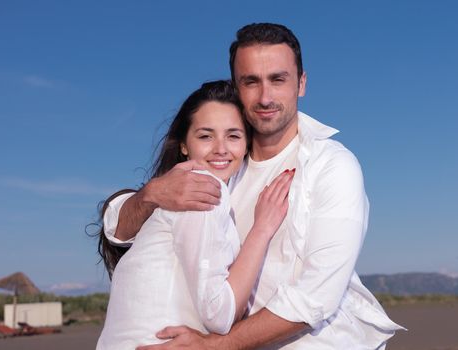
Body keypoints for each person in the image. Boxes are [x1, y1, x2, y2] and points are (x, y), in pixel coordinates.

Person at [105, 23, 404, 349]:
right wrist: (151, 194)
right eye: (251, 82)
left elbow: (317, 295)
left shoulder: (331, 166)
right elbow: (119, 229)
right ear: (237, 86)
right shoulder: (222, 162)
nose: (265, 97)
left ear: (301, 83)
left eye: (278, 79)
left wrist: (213, 346)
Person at [96, 80, 294, 349]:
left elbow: (113, 223)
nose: (221, 148)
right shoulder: (201, 188)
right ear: (184, 146)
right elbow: (219, 315)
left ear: (247, 144)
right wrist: (262, 229)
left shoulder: (176, 191)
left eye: (233, 136)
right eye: (205, 136)